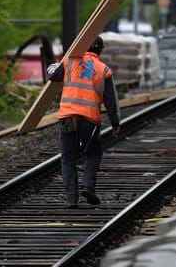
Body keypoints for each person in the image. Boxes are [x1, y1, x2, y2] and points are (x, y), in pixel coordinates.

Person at [47, 36, 121, 208]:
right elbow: (111, 101)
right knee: (93, 154)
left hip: (67, 117)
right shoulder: (104, 70)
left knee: (68, 158)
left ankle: (71, 200)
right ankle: (88, 186)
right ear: (99, 51)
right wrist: (115, 123)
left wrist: (55, 64)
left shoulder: (70, 61)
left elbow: (52, 75)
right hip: (89, 119)